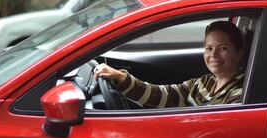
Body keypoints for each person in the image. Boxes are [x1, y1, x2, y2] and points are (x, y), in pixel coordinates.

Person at [94, 21, 245, 107]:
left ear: (239, 53)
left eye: (223, 48)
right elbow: (160, 95)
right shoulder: (204, 83)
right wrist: (119, 77)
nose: (213, 55)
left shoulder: (240, 95)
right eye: (209, 48)